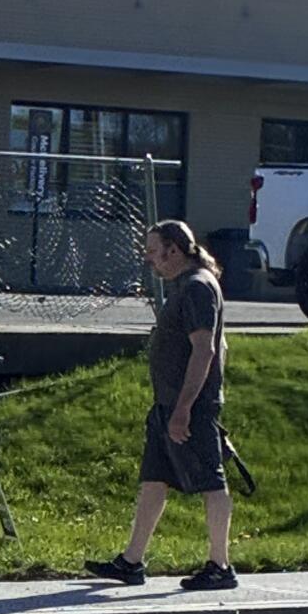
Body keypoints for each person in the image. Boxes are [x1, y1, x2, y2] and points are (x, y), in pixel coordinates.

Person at [87, 219, 237, 593]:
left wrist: (186, 407)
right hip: (166, 405)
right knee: (154, 480)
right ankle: (131, 562)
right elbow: (222, 349)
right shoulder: (187, 286)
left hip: (188, 408)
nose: (149, 259)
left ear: (174, 249)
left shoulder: (198, 288)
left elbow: (206, 350)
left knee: (211, 483)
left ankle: (220, 566)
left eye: (154, 251)